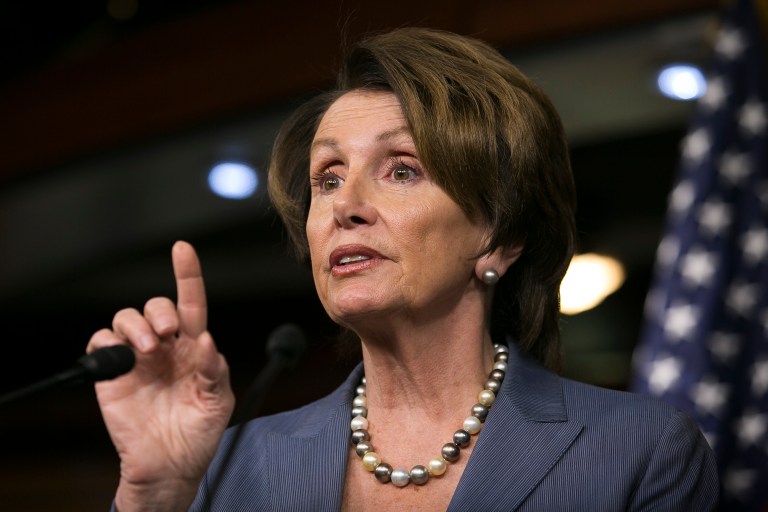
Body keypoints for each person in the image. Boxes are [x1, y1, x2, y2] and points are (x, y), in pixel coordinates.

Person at [87, 27, 719, 511]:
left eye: (402, 170)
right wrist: (154, 496)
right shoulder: (228, 468)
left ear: (499, 238)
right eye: (327, 179)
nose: (345, 207)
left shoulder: (637, 453)